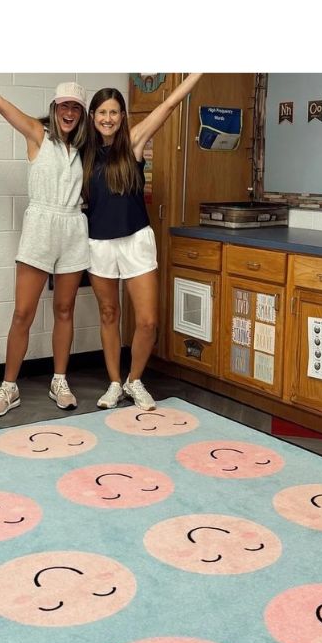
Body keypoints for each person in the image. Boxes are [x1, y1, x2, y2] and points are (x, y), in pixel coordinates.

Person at [0, 74, 90, 418]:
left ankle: (59, 380)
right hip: (40, 226)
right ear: (55, 107)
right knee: (23, 312)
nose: (69, 112)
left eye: (76, 107)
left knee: (65, 309)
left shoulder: (84, 148)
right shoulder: (38, 134)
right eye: (64, 105)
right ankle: (8, 387)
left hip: (73, 228)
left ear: (81, 114)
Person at [83, 74, 203, 410]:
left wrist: (197, 72)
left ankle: (135, 380)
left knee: (147, 319)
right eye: (102, 112)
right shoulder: (84, 154)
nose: (108, 118)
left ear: (122, 117)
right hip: (99, 244)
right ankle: (113, 384)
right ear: (93, 117)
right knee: (109, 313)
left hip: (136, 239)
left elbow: (168, 104)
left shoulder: (133, 142)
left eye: (114, 112)